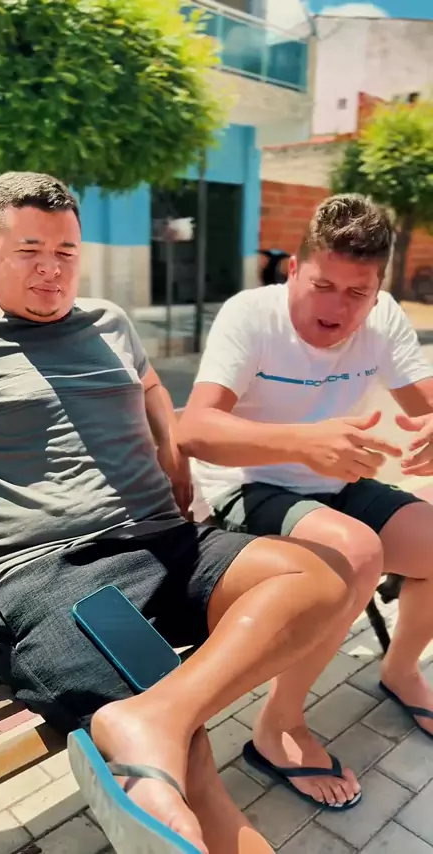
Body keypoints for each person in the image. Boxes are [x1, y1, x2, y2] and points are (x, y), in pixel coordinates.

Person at [0, 171, 354, 854]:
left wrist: (175, 459)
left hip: (167, 544)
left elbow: (150, 393)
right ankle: (164, 738)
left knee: (318, 577)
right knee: (189, 775)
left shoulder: (109, 320)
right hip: (55, 573)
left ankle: (155, 718)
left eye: (66, 251)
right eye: (29, 251)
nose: (51, 269)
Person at [179, 193, 433, 811]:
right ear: (293, 269)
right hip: (246, 483)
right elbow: (194, 430)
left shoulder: (383, 318)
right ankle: (279, 727)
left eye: (357, 293)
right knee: (357, 551)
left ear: (378, 289)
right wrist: (302, 442)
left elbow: (424, 399)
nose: (337, 308)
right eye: (323, 286)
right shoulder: (250, 316)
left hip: (335, 482)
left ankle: (401, 670)